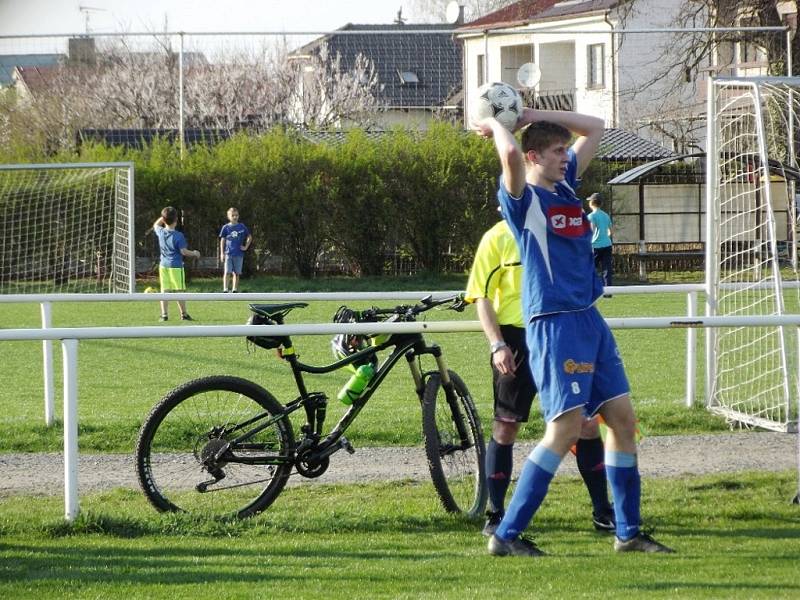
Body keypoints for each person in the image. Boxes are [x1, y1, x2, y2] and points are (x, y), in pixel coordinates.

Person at [473, 107, 673, 556]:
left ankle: (627, 532)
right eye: (558, 151)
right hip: (554, 324)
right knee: (563, 431)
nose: (566, 156)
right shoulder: (522, 198)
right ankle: (505, 536)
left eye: (567, 149)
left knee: (621, 420)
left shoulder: (566, 187)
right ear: (533, 157)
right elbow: (508, 159)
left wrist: (529, 111)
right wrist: (499, 123)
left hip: (589, 319)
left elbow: (597, 127)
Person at [465, 218, 615, 537]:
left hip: (561, 339)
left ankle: (603, 512)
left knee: (586, 425)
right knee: (505, 427)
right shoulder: (496, 238)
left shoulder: (558, 233)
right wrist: (498, 344)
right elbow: (482, 296)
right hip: (516, 341)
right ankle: (496, 514)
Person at [153, 206, 200, 322]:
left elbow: (155, 225)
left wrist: (163, 218)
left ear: (164, 220)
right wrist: (194, 253)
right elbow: (183, 251)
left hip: (163, 266)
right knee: (179, 291)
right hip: (176, 267)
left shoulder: (161, 232)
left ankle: (164, 315)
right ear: (176, 220)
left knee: (164, 290)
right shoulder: (179, 236)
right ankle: (184, 314)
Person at [219, 207, 252, 293]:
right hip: (228, 253)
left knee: (236, 273)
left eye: (236, 215)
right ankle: (225, 289)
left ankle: (234, 289)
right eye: (232, 215)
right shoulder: (225, 227)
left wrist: (246, 246)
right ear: (228, 216)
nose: (235, 217)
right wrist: (222, 253)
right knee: (227, 271)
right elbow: (222, 240)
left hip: (239, 254)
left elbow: (249, 237)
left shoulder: (242, 226)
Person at [587, 193, 613, 296]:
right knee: (607, 269)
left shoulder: (591, 216)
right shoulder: (605, 215)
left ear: (592, 203)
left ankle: (590, 290)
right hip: (607, 245)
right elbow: (611, 231)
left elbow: (591, 230)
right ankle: (608, 292)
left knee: (591, 268)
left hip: (595, 246)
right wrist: (605, 237)